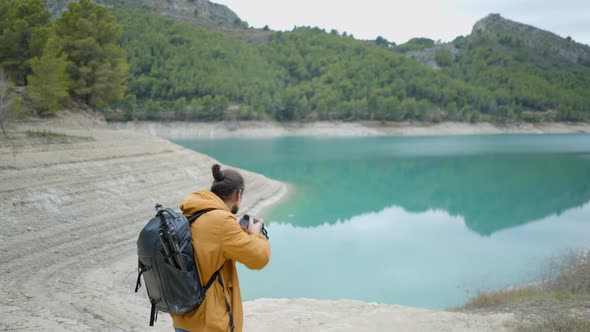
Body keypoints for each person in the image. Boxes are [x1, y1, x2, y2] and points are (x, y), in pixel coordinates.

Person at [172, 164, 270, 332]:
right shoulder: (221, 222)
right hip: (209, 323)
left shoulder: (192, 213)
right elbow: (259, 258)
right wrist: (256, 235)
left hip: (184, 317)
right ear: (238, 195)